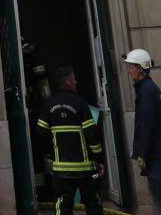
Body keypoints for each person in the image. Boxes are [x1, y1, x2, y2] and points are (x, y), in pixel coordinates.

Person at [33, 66, 106, 215]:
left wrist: (50, 155)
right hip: (85, 168)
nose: (76, 82)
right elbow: (91, 135)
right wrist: (99, 159)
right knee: (93, 205)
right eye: (73, 79)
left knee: (63, 207)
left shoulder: (48, 104)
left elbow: (40, 133)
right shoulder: (80, 103)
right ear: (67, 82)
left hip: (61, 169)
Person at [124, 48, 161, 215]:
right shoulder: (149, 88)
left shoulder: (146, 91)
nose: (129, 70)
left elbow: (147, 126)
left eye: (131, 66)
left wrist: (143, 154)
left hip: (153, 154)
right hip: (156, 153)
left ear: (139, 68)